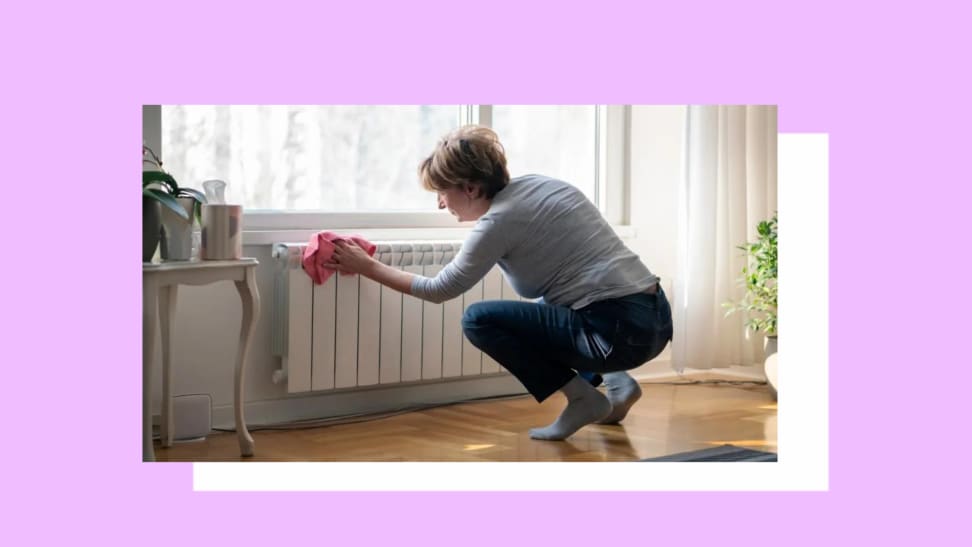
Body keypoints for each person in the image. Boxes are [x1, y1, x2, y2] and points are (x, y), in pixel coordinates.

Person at [324, 125, 673, 441]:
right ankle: (617, 381)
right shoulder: (542, 186)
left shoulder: (498, 223)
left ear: (471, 188)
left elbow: (438, 290)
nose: (440, 203)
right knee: (545, 308)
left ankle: (582, 399)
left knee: (479, 319)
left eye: (442, 193)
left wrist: (367, 266)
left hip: (615, 334)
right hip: (654, 319)